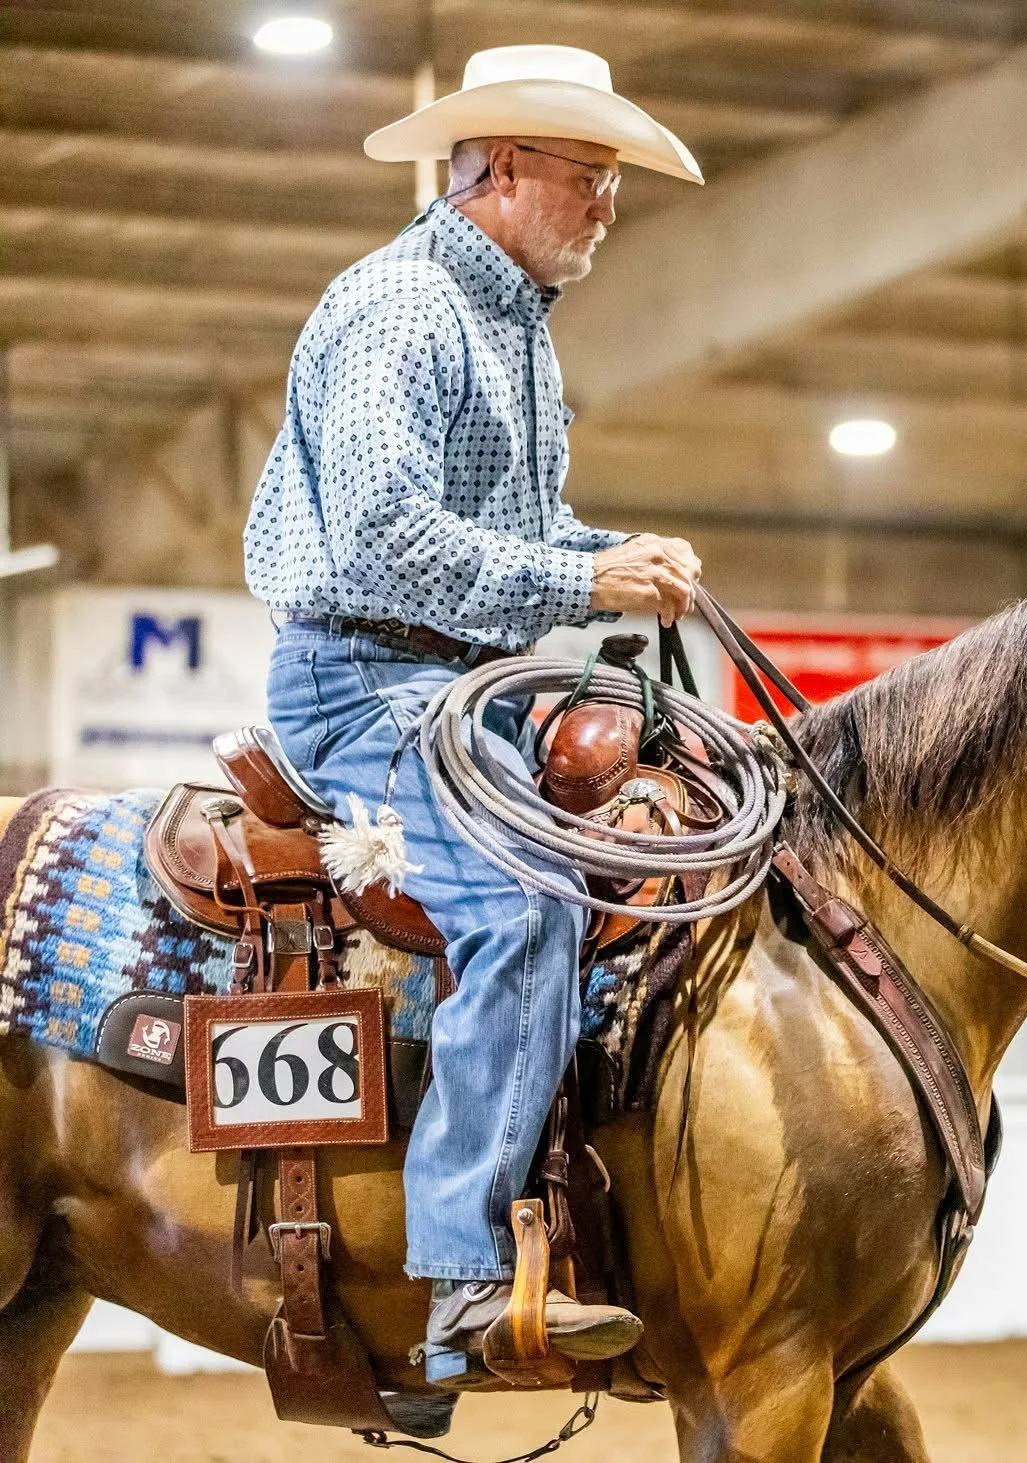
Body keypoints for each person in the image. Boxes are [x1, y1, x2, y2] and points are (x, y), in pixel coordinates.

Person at [244, 44, 704, 1385]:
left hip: (461, 687)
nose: (608, 203)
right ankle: (458, 1274)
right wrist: (583, 575)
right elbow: (389, 539)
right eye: (592, 175)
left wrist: (614, 546)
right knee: (523, 901)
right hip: (367, 687)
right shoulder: (401, 305)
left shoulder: (505, 325)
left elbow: (515, 532)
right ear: (502, 170)